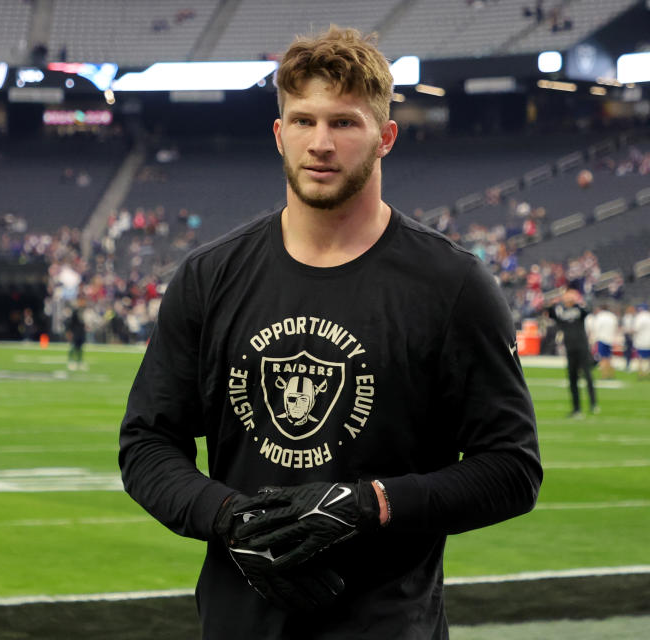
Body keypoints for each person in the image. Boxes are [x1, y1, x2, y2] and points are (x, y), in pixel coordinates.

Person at [119, 26, 542, 640]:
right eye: (303, 121)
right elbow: (146, 445)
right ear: (278, 133)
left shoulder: (451, 284)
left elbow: (511, 469)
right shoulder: (209, 278)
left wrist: (371, 504)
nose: (320, 143)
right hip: (240, 625)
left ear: (385, 137)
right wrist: (232, 518)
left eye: (344, 122)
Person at [546, 288, 598, 417]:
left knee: (588, 376)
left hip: (582, 347)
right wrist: (554, 302)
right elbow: (551, 313)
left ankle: (593, 404)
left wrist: (577, 300)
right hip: (570, 348)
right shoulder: (560, 310)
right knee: (572, 378)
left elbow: (588, 310)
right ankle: (576, 408)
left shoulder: (579, 309)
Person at [591, 302, 619, 379]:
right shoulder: (612, 316)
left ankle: (604, 375)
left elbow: (596, 328)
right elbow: (615, 327)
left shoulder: (600, 316)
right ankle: (611, 374)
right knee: (609, 357)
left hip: (602, 339)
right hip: (610, 339)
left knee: (603, 358)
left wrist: (593, 339)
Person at [66, 300, 87, 371]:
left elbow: (83, 323)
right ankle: (70, 360)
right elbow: (71, 323)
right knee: (73, 346)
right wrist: (70, 332)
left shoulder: (83, 311)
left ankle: (79, 361)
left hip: (81, 332)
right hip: (76, 332)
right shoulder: (75, 312)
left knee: (80, 348)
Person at [634, 303, 650, 380]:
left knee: (640, 358)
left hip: (641, 341)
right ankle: (647, 373)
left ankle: (641, 374)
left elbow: (636, 329)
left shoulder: (639, 317)